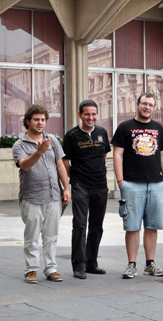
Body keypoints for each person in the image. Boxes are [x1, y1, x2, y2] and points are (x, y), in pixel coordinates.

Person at [111, 92, 163, 279]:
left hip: (155, 184)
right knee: (132, 226)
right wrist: (120, 181)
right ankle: (131, 264)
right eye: (144, 103)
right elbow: (117, 155)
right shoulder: (125, 127)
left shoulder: (158, 128)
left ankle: (150, 264)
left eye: (151, 105)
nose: (147, 107)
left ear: (154, 108)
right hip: (132, 183)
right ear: (137, 104)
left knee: (152, 226)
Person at [12, 104, 71, 284]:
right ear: (28, 121)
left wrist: (66, 188)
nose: (40, 123)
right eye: (36, 119)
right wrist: (39, 152)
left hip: (53, 195)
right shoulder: (19, 144)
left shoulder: (52, 139)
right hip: (32, 197)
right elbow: (25, 165)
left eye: (43, 120)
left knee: (51, 235)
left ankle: (51, 268)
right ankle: (31, 270)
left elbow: (60, 165)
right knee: (32, 235)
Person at [62, 100, 111, 279]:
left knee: (97, 226)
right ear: (80, 115)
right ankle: (79, 265)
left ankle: (92, 263)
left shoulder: (102, 133)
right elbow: (65, 161)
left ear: (97, 115)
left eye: (93, 114)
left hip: (100, 185)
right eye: (87, 114)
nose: (90, 117)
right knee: (80, 225)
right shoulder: (72, 135)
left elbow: (104, 154)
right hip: (80, 185)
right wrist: (73, 179)